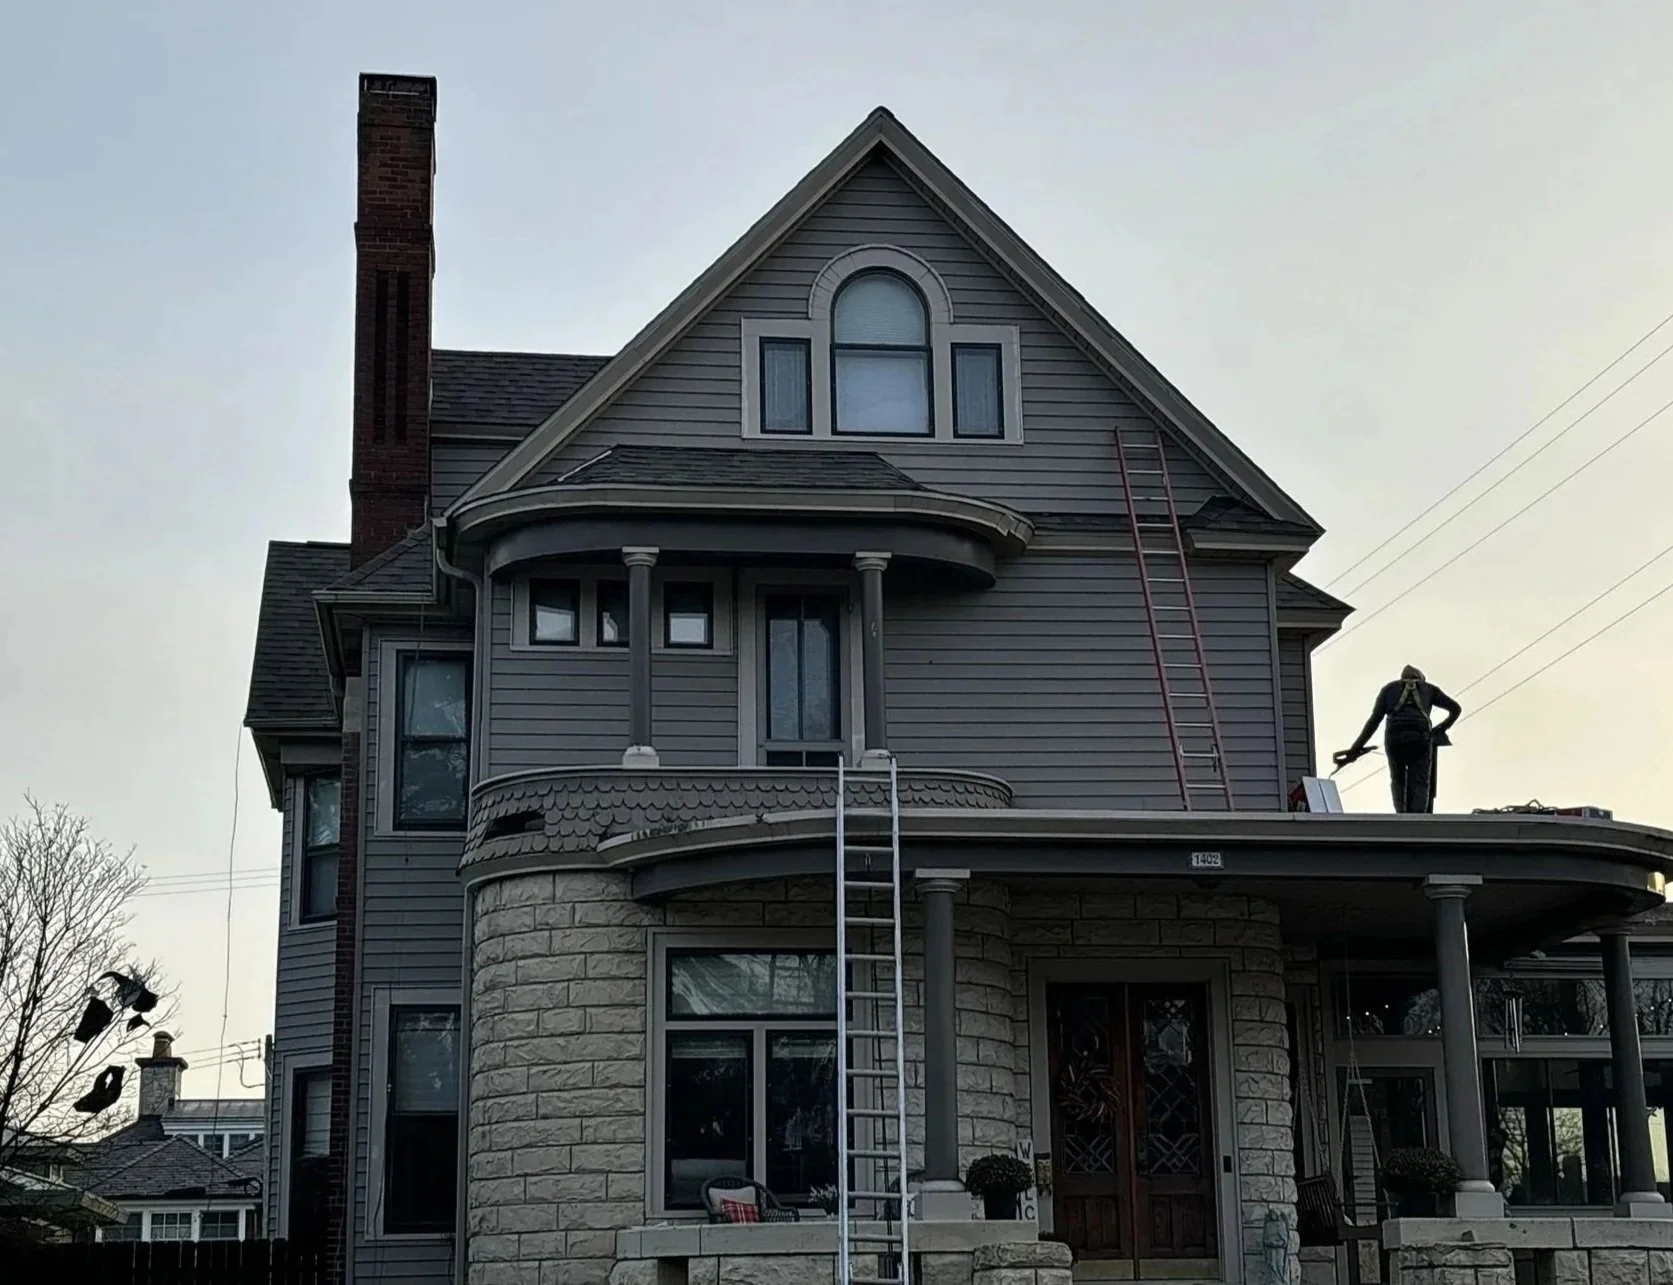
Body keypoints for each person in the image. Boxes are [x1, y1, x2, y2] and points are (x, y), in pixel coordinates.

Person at [1334, 665, 1461, 813]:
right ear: (1421, 679)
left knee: (1398, 780)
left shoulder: (1389, 689)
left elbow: (1374, 721)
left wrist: (1355, 749)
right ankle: (1417, 819)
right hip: (1420, 739)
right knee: (1419, 782)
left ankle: (1401, 816)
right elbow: (1456, 709)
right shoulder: (1429, 689)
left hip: (1395, 740)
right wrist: (1439, 730)